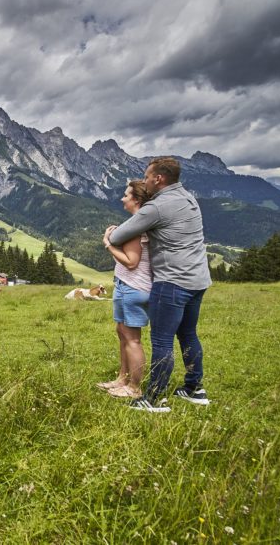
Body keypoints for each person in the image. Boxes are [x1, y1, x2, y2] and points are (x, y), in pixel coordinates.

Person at [107, 157, 212, 412]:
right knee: (188, 334)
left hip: (172, 281)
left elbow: (120, 235)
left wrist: (109, 237)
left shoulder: (156, 207)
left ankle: (154, 398)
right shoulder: (188, 198)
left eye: (147, 176)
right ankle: (194, 389)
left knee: (162, 340)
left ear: (159, 178)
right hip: (198, 279)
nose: (144, 181)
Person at [97, 180, 152, 399]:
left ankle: (135, 388)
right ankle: (123, 379)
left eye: (126, 195)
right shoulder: (134, 225)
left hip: (134, 286)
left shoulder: (137, 228)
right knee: (122, 333)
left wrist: (108, 244)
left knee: (132, 339)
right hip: (124, 285)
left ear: (136, 200)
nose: (122, 198)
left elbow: (131, 262)